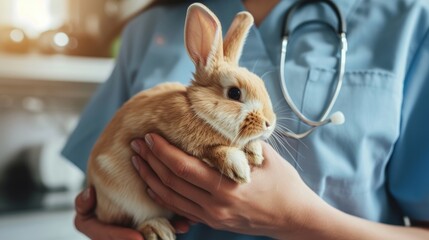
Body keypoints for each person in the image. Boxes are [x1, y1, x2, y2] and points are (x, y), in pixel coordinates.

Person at [63, 0, 429, 239]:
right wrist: (105, 223)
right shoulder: (151, 28)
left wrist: (294, 217)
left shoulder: (410, 21)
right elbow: (97, 184)